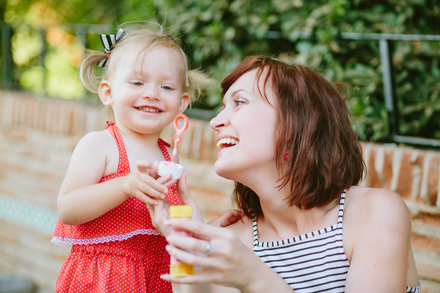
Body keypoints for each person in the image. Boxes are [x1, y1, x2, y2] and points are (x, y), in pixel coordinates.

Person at [158, 56, 421, 292]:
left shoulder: (372, 214)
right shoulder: (234, 241)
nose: (216, 121)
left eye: (239, 102)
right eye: (222, 106)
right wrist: (186, 248)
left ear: (296, 123)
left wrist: (255, 278)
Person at [51, 21, 208, 292]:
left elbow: (172, 219)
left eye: (167, 88)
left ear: (181, 103)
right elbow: (68, 209)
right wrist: (125, 185)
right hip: (104, 278)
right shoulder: (100, 145)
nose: (152, 94)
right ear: (108, 93)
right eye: (137, 82)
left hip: (157, 278)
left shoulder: (169, 156)